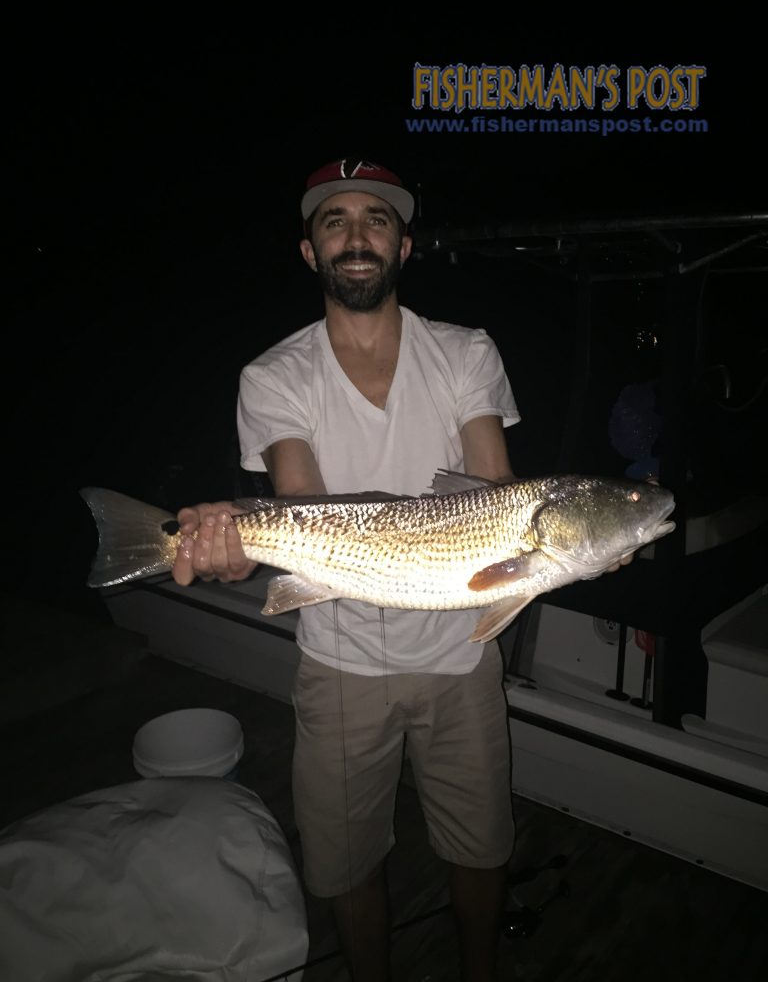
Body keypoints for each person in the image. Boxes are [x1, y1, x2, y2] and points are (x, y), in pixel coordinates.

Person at [171, 157, 523, 981]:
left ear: (405, 247)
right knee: (345, 865)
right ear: (310, 252)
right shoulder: (275, 375)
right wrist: (238, 552)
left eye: (377, 220)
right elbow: (303, 504)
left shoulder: (467, 352)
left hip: (461, 655)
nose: (357, 236)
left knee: (483, 848)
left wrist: (580, 545)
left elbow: (499, 493)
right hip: (339, 664)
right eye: (336, 221)